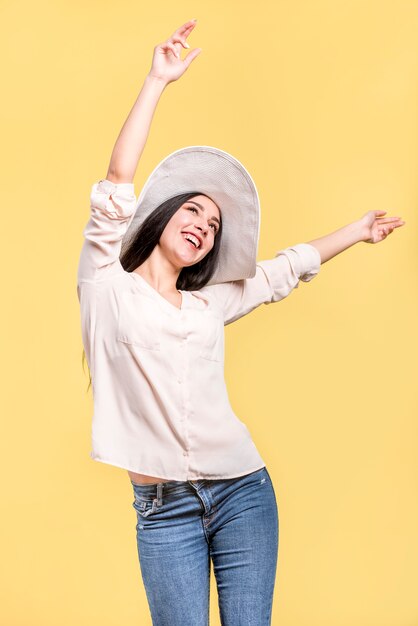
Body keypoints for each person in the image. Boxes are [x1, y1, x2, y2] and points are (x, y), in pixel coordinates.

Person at [76, 18, 406, 626]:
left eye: (214, 228)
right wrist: (156, 80)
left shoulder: (209, 303)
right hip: (162, 509)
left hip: (244, 492)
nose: (203, 225)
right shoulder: (105, 288)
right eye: (194, 211)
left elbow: (284, 270)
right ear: (164, 217)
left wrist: (356, 233)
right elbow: (117, 182)